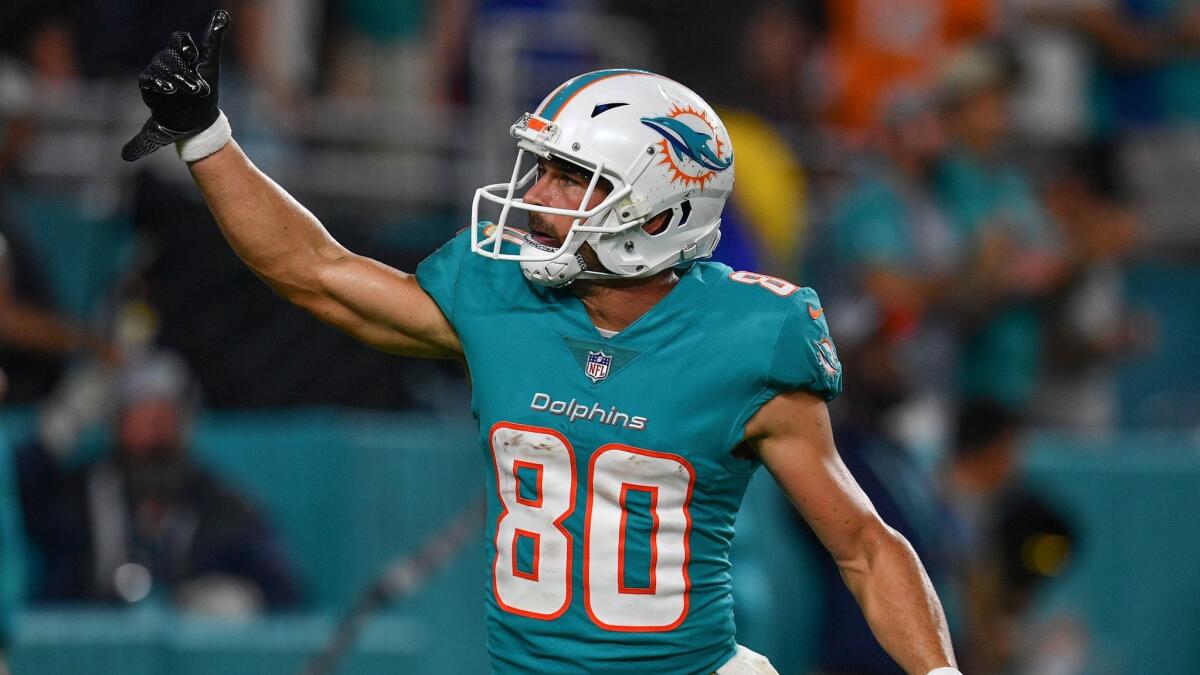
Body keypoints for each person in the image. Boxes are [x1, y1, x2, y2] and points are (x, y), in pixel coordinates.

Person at [121, 10, 959, 673]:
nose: (537, 194)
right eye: (542, 166)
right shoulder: (500, 295)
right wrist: (207, 138)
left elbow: (863, 544)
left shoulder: (749, 335)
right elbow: (315, 270)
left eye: (571, 176)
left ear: (657, 212)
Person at [16, 350, 299, 612]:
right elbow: (14, 510)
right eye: (139, 418)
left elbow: (285, 594)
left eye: (163, 418)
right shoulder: (78, 498)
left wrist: (247, 601)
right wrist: (51, 440)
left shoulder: (221, 505)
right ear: (116, 424)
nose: (152, 437)